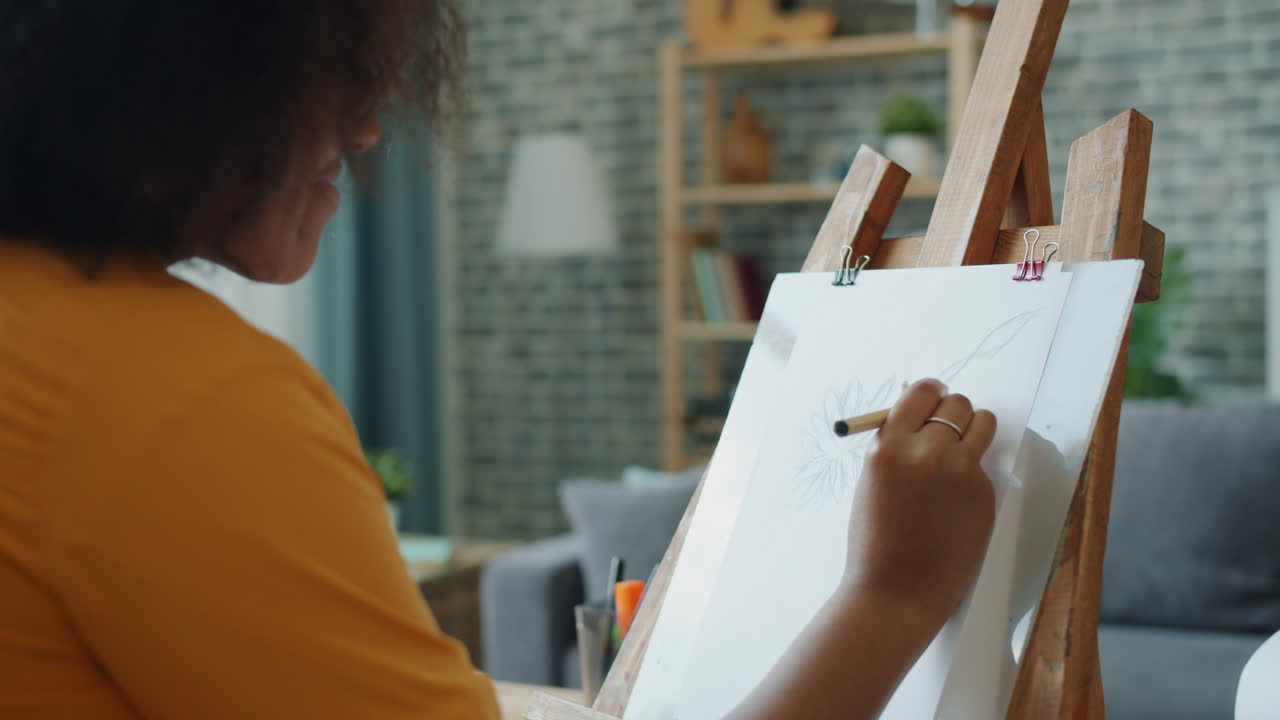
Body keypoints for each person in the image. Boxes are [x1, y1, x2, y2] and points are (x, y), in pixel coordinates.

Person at [0, 3, 996, 718]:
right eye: (332, 81)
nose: (366, 126)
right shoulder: (171, 399)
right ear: (178, 78)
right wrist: (891, 596)